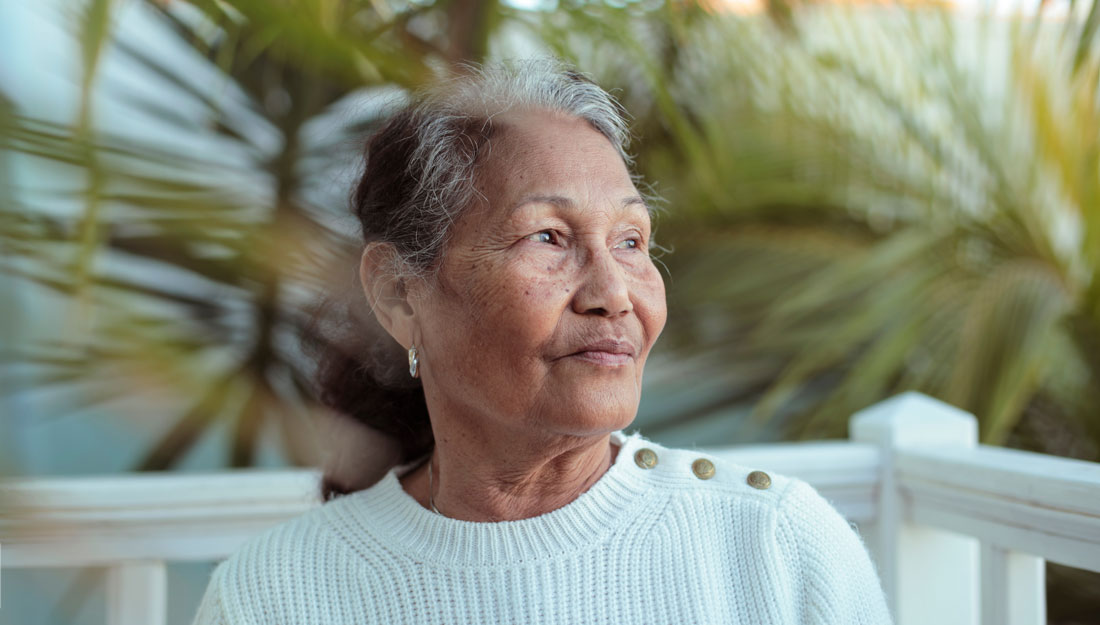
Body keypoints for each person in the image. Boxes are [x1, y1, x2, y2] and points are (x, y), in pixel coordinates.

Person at [190, 59, 893, 625]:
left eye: (631, 241)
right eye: (548, 238)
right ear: (400, 293)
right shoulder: (275, 595)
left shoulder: (775, 546)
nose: (614, 292)